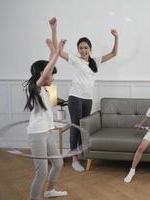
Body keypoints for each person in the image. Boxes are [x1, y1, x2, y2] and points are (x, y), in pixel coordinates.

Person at [49, 17, 119, 172]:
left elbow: (114, 53)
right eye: (80, 48)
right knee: (75, 127)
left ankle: (79, 154)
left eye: (86, 47)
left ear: (90, 49)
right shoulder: (75, 60)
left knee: (82, 127)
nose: (83, 50)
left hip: (88, 99)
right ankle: (74, 159)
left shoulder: (96, 61)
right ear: (78, 50)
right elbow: (57, 50)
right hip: (75, 97)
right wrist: (54, 29)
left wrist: (116, 37)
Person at [23, 23, 68, 199]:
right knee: (41, 172)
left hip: (47, 131)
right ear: (43, 74)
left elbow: (48, 68)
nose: (53, 76)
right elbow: (47, 70)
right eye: (51, 73)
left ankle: (49, 191)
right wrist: (56, 52)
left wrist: (54, 32)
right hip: (36, 134)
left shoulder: (48, 90)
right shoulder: (36, 88)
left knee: (58, 163)